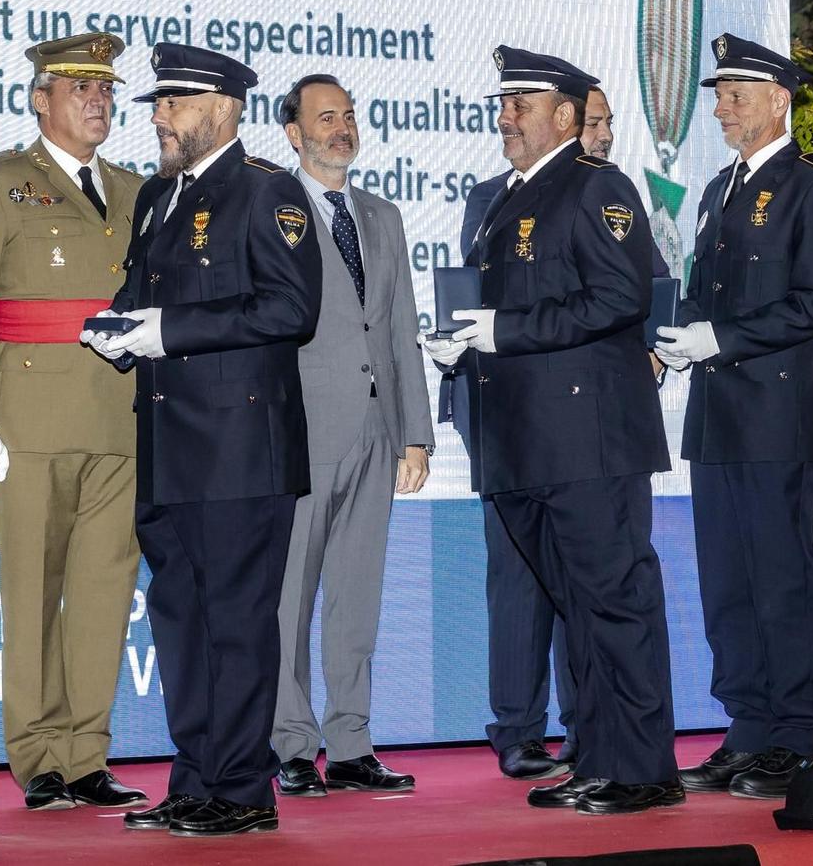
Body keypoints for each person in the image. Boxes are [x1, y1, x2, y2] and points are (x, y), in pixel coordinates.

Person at [424, 46, 678, 816]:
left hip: (588, 439)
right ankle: (599, 755)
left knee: (614, 603)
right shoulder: (507, 198)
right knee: (578, 609)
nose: (506, 118)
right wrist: (464, 341)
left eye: (521, 105)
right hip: (528, 441)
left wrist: (505, 329)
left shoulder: (598, 186)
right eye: (505, 104)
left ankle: (641, 767)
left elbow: (621, 296)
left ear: (564, 116)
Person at [80, 43, 322, 837]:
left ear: (223, 108)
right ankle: (195, 777)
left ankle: (243, 788)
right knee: (181, 616)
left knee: (238, 619)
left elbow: (290, 310)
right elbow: (143, 292)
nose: (157, 116)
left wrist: (166, 330)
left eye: (173, 104)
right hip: (169, 446)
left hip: (240, 449)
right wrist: (121, 325)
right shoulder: (157, 196)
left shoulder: (269, 193)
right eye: (158, 105)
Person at [655, 33, 813, 800]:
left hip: (776, 413)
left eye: (737, 93)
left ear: (780, 98)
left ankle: (797, 732)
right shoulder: (716, 190)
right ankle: (747, 726)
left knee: (781, 577)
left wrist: (721, 337)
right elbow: (706, 291)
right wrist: (679, 334)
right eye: (718, 93)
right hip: (717, 415)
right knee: (727, 581)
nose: (721, 106)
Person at [0, 33, 146, 811]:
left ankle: (87, 753)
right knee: (33, 591)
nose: (98, 101)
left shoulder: (139, 191)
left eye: (106, 90)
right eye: (80, 89)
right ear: (41, 98)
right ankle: (36, 754)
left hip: (120, 420)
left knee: (105, 592)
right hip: (29, 421)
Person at [271, 74, 431, 797]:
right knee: (289, 596)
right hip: (300, 430)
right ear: (294, 135)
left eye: (349, 115)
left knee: (357, 594)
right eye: (325, 117)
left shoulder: (382, 214)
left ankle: (353, 740)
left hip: (377, 430)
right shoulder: (271, 209)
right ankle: (292, 743)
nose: (342, 128)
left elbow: (400, 329)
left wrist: (416, 434)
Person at [443, 164, 580, 782]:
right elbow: (471, 291)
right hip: (498, 411)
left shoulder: (606, 196)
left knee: (584, 573)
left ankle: (589, 722)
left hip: (576, 414)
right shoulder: (488, 198)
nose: (601, 132)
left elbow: (643, 289)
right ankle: (519, 730)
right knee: (516, 573)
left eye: (605, 121)